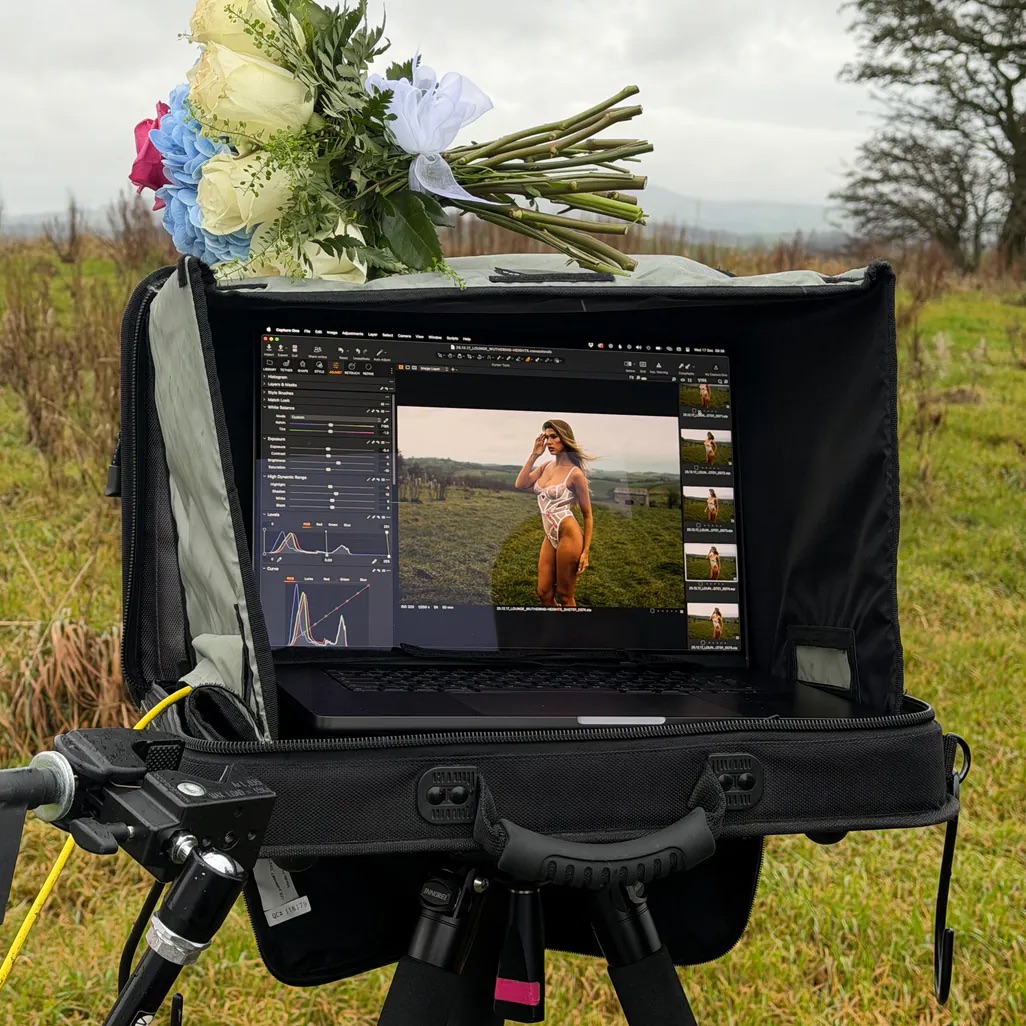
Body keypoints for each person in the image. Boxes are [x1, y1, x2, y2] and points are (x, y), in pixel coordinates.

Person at [514, 420, 594, 608]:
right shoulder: (545, 466)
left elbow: (588, 515)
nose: (549, 442)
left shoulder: (575, 474)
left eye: (554, 437)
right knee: (543, 593)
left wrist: (585, 552)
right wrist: (534, 454)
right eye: (546, 437)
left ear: (564, 439)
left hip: (569, 534)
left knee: (565, 596)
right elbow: (520, 484)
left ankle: (572, 627)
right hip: (550, 535)